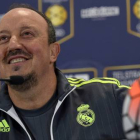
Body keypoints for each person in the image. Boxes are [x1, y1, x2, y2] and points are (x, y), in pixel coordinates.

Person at [0, 3, 129, 140]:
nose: (13, 44)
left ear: (53, 52)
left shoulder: (106, 98)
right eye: (3, 38)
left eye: (27, 34)